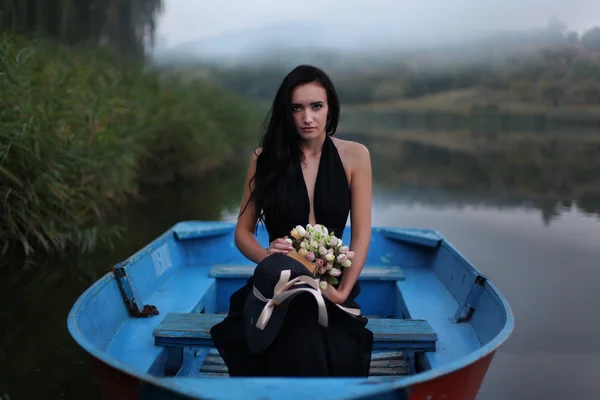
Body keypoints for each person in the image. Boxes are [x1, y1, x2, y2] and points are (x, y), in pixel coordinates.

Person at [210, 64, 373, 377]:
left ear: (330, 109)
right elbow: (243, 234)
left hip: (332, 282)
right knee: (298, 329)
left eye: (316, 106)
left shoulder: (355, 155)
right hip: (277, 283)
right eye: (297, 108)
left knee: (315, 328)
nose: (307, 117)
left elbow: (362, 233)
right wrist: (269, 259)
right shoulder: (265, 158)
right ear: (286, 112)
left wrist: (341, 292)